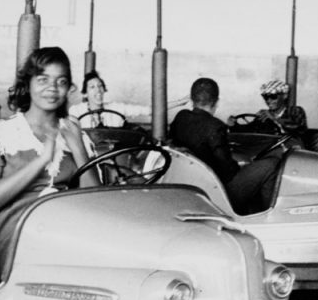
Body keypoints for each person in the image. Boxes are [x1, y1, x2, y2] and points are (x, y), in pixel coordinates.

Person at [0, 46, 100, 277]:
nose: (52, 88)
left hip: (67, 236)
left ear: (69, 88)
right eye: (43, 80)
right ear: (27, 84)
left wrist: (78, 148)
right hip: (13, 240)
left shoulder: (76, 134)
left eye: (61, 82)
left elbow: (96, 201)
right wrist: (41, 161)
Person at [169, 77, 282, 215]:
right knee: (271, 165)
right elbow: (228, 171)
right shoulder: (216, 126)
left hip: (191, 183)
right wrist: (242, 166)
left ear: (192, 99)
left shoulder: (181, 116)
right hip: (218, 193)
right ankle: (263, 214)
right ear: (216, 101)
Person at [69, 69, 188, 129]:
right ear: (85, 94)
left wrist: (180, 102)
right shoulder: (76, 111)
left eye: (100, 86)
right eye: (92, 87)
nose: (98, 90)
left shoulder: (116, 108)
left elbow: (150, 110)